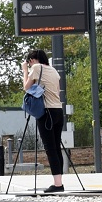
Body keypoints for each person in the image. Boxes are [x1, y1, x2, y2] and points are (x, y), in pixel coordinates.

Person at [24, 48, 66, 194]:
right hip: (58, 111)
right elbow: (57, 91)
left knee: (50, 148)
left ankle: (58, 184)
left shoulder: (36, 67)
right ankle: (59, 181)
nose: (30, 65)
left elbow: (26, 87)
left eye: (29, 62)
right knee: (56, 147)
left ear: (32, 60)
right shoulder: (54, 71)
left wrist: (25, 71)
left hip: (46, 112)